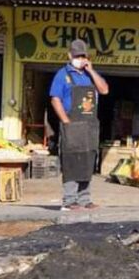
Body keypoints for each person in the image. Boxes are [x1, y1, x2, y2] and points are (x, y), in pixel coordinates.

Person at [49, 38, 109, 211]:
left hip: (89, 126)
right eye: (77, 56)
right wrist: (66, 122)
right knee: (71, 162)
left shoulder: (89, 75)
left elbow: (104, 90)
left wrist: (92, 71)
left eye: (83, 56)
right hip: (72, 124)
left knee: (88, 161)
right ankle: (69, 201)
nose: (80, 59)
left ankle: (85, 199)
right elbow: (55, 99)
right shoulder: (63, 75)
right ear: (70, 55)